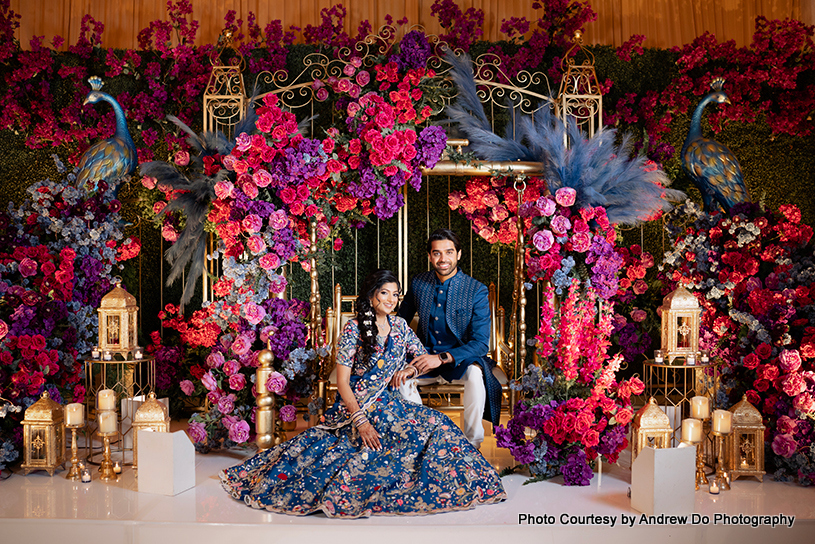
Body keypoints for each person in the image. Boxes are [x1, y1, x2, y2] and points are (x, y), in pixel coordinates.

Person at [219, 269, 506, 517]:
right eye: (385, 293)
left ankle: (463, 482)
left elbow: (420, 361)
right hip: (357, 408)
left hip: (390, 403)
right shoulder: (353, 329)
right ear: (371, 296)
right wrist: (361, 421)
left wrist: (408, 371)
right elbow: (343, 382)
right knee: (375, 447)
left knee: (440, 424)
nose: (391, 300)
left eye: (396, 294)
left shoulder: (402, 327)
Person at [398, 228, 502, 449]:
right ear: (429, 256)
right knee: (402, 378)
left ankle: (472, 444)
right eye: (437, 253)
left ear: (459, 254)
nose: (443, 259)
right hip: (423, 356)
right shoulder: (418, 283)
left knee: (476, 375)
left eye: (449, 252)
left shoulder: (476, 290)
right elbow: (400, 323)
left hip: (461, 359)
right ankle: (420, 439)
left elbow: (481, 343)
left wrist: (443, 358)